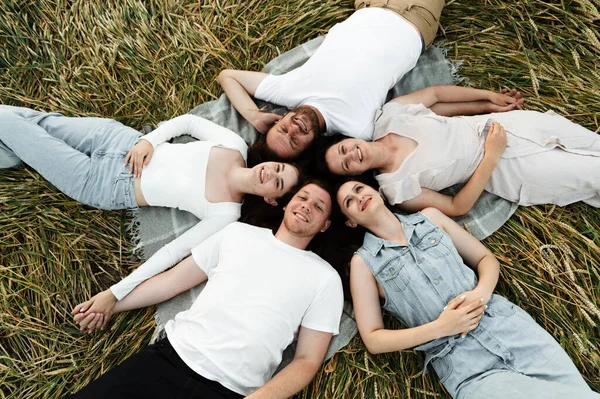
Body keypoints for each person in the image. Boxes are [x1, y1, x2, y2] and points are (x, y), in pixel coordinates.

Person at [0, 105, 300, 304]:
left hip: (103, 183)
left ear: (271, 199)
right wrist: (149, 141)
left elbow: (172, 253)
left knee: (8, 120)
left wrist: (116, 293)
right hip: (122, 140)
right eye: (279, 168)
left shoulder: (226, 213)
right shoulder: (233, 144)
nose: (271, 173)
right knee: (31, 125)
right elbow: (190, 122)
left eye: (278, 182)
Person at [69, 182, 344, 399]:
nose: (307, 206)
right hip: (170, 359)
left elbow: (307, 361)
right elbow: (172, 281)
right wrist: (113, 303)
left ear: (325, 226)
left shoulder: (325, 278)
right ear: (286, 204)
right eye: (303, 197)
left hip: (232, 390)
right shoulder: (238, 234)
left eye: (319, 207)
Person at [337, 180, 600, 399]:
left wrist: (480, 294)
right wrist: (441, 327)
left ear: (378, 192)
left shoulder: (430, 218)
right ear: (350, 222)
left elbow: (486, 260)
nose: (358, 197)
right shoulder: (364, 263)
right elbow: (373, 339)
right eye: (349, 201)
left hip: (507, 328)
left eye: (359, 189)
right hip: (463, 362)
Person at [217, 0, 445, 159]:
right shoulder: (359, 129)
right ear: (310, 147)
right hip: (413, 15)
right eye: (295, 141)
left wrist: (255, 117)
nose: (293, 129)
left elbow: (227, 76)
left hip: (367, 6)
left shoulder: (285, 91)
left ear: (278, 121)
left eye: (283, 130)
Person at [324, 85, 600, 215]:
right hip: (503, 169)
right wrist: (491, 156)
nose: (351, 154)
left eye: (344, 149)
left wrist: (487, 100)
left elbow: (436, 98)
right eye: (347, 164)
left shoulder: (390, 116)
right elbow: (457, 206)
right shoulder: (397, 189)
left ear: (348, 140)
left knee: (591, 144)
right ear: (356, 174)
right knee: (591, 172)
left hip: (501, 125)